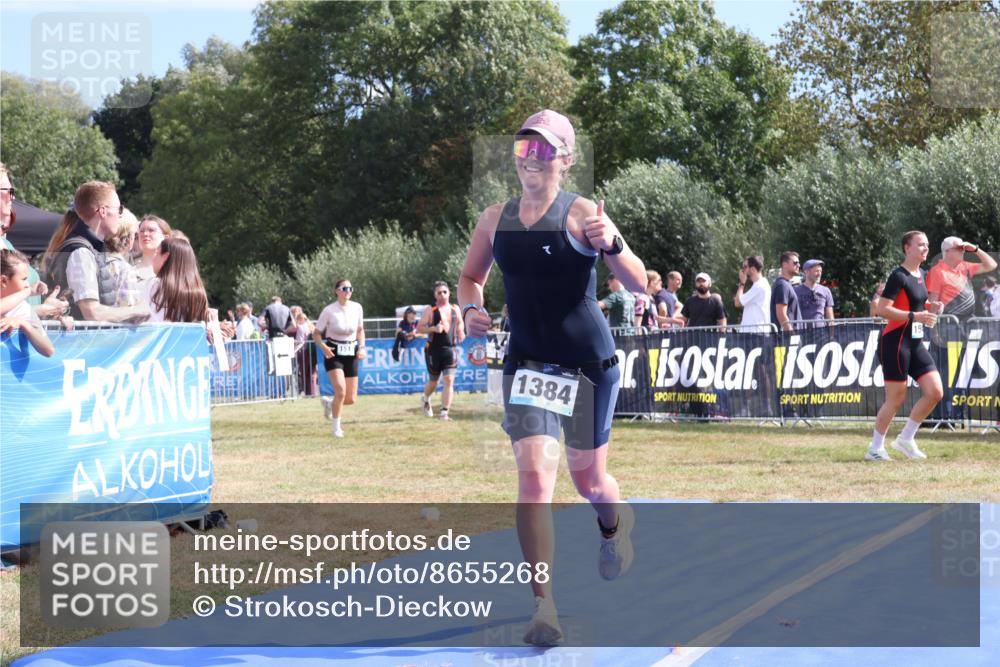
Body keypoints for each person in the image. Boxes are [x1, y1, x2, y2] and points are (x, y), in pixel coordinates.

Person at [458, 109, 644, 646]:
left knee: (589, 483)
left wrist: (612, 242)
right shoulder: (496, 218)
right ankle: (545, 606)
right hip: (529, 364)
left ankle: (614, 524)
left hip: (586, 366)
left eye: (543, 150)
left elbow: (638, 281)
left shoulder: (582, 213)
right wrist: (472, 308)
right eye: (522, 149)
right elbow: (471, 277)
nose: (530, 159)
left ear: (565, 159)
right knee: (536, 478)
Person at [866, 231, 944, 461]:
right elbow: (882, 309)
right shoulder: (897, 276)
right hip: (895, 342)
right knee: (896, 398)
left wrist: (932, 306)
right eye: (920, 245)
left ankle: (906, 439)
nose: (925, 249)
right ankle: (875, 448)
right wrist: (915, 316)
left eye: (927, 245)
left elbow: (917, 302)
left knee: (935, 392)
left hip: (915, 342)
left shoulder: (921, 274)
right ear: (906, 248)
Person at [45, 181, 149, 323]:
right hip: (81, 343)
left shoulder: (89, 249)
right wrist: (136, 310)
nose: (120, 215)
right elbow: (92, 313)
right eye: (119, 209)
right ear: (103, 211)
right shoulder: (81, 253)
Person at [1, 163, 68, 320]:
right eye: (8, 191)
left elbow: (19, 302)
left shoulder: (7, 245)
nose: (13, 197)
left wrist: (47, 306)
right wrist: (38, 311)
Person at [313, 278, 366, 438]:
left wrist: (362, 347)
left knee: (350, 399)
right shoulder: (329, 310)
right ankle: (336, 428)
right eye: (344, 288)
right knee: (341, 391)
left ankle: (330, 404)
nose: (348, 291)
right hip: (333, 351)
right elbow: (316, 333)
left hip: (351, 351)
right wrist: (323, 347)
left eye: (350, 288)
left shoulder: (357, 307)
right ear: (337, 291)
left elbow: (360, 330)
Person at [417, 281, 465, 421]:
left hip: (450, 349)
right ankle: (425, 398)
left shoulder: (455, 308)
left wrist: (461, 331)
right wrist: (433, 329)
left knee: (449, 379)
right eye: (439, 292)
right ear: (435, 295)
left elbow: (460, 322)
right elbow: (420, 328)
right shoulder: (430, 310)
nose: (442, 295)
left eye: (445, 292)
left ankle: (444, 413)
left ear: (449, 293)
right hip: (433, 350)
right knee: (434, 382)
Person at [926, 236, 997, 320]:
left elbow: (992, 265)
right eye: (959, 248)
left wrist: (975, 249)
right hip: (949, 324)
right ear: (948, 251)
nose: (963, 251)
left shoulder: (965, 266)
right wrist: (935, 332)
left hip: (969, 321)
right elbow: (932, 303)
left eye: (963, 248)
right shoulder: (936, 271)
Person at [142, 236, 209, 323]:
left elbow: (145, 321)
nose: (153, 259)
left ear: (165, 257)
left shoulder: (156, 285)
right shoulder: (198, 291)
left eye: (156, 253)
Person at [2, 249, 54, 357]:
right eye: (24, 279)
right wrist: (29, 291)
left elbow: (49, 350)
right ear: (3, 281)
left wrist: (23, 323)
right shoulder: (27, 291)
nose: (27, 284)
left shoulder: (24, 308)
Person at [104, 208, 140, 307]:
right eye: (134, 235)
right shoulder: (125, 270)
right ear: (129, 239)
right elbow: (130, 308)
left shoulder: (91, 259)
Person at [133, 215, 173, 288]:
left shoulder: (174, 267)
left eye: (151, 230)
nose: (145, 234)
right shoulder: (128, 266)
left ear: (165, 237)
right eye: (141, 231)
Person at [733, 255, 771, 331]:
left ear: (753, 269)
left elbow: (737, 303)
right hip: (756, 332)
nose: (742, 270)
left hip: (755, 333)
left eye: (745, 267)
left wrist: (742, 283)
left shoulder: (759, 286)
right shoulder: (761, 284)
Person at [770, 251, 802, 332]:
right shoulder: (782, 285)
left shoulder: (786, 284)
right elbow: (781, 314)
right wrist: (792, 334)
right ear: (784, 264)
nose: (798, 265)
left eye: (798, 263)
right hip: (786, 337)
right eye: (795, 263)